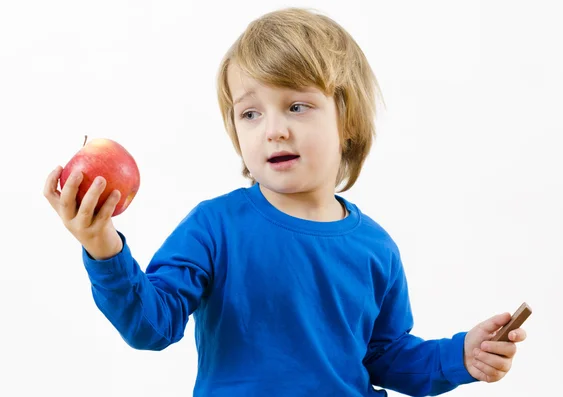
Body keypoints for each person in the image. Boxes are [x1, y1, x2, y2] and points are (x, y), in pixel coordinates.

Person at [43, 7, 527, 397]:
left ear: (348, 122)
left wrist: (459, 356)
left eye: (297, 105)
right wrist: (103, 247)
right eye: (251, 113)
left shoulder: (376, 248)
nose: (274, 128)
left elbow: (385, 355)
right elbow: (152, 325)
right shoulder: (214, 227)